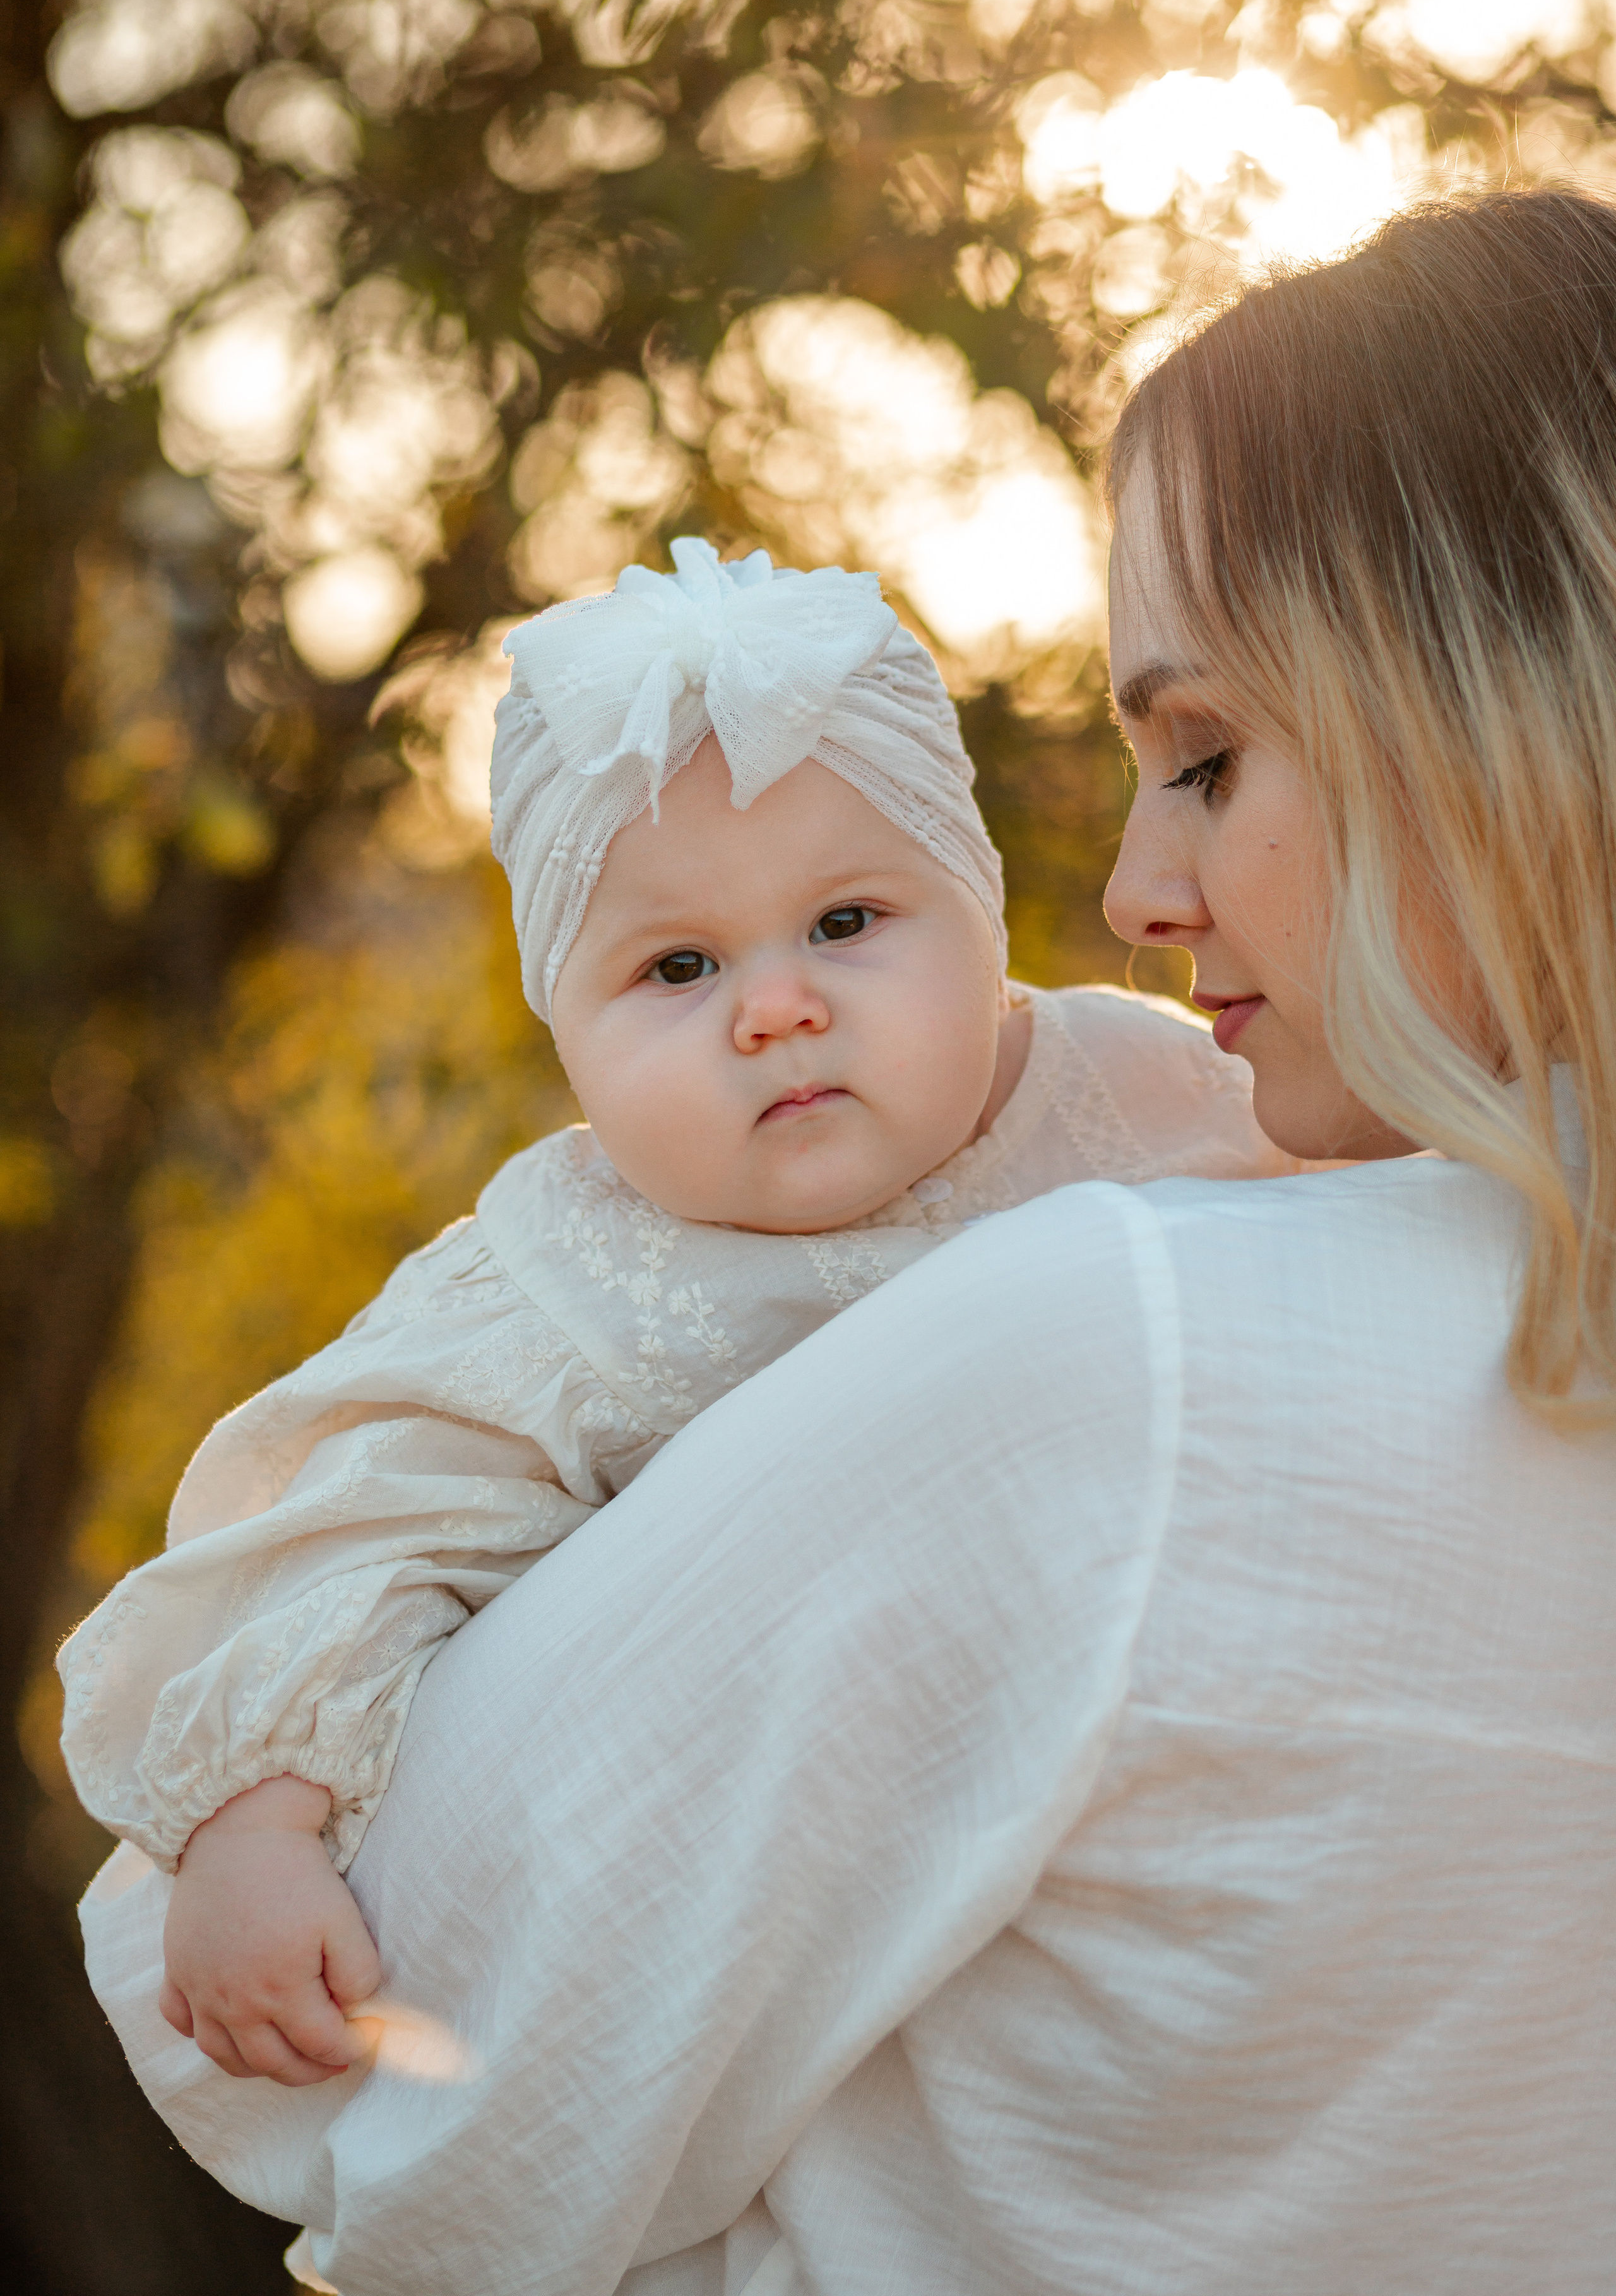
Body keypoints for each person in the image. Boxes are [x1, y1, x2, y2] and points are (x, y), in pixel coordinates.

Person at [80, 186, 1616, 2296]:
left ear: (1487, 708)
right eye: (678, 966)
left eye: (1209, 754)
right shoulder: (590, 1297)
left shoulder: (1122, 1353)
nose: (1145, 898)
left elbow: (389, 2105)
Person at [59, 541, 1288, 2090]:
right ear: (561, 1030)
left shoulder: (1150, 1078)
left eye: (846, 923)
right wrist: (254, 1829)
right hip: (786, 1908)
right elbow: (341, 1523)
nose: (774, 1008)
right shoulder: (569, 1270)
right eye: (679, 965)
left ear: (976, 902)